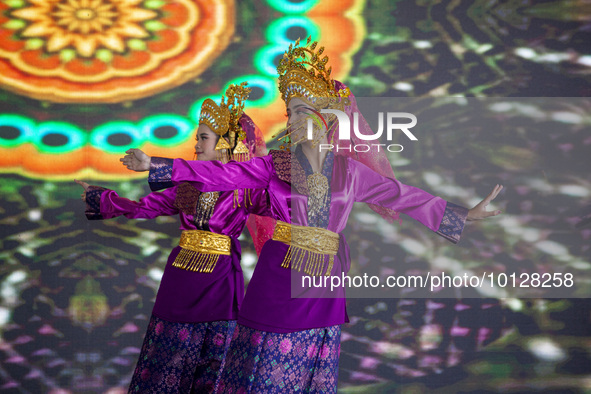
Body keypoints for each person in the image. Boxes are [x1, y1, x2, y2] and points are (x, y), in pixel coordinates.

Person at [121, 37, 503, 393]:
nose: (292, 119)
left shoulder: (350, 172)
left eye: (301, 111)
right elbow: (222, 172)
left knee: (309, 368)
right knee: (260, 364)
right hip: (279, 275)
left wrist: (465, 215)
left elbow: (405, 196)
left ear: (325, 119)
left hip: (323, 282)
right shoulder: (274, 166)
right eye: (289, 112)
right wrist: (158, 164)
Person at [76, 83, 271, 393]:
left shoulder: (244, 189)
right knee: (171, 353)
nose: (196, 145)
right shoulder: (188, 187)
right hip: (181, 275)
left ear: (225, 144)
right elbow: (143, 207)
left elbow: (279, 202)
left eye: (203, 139)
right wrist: (101, 199)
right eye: (196, 139)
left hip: (220, 279)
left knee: (216, 356)